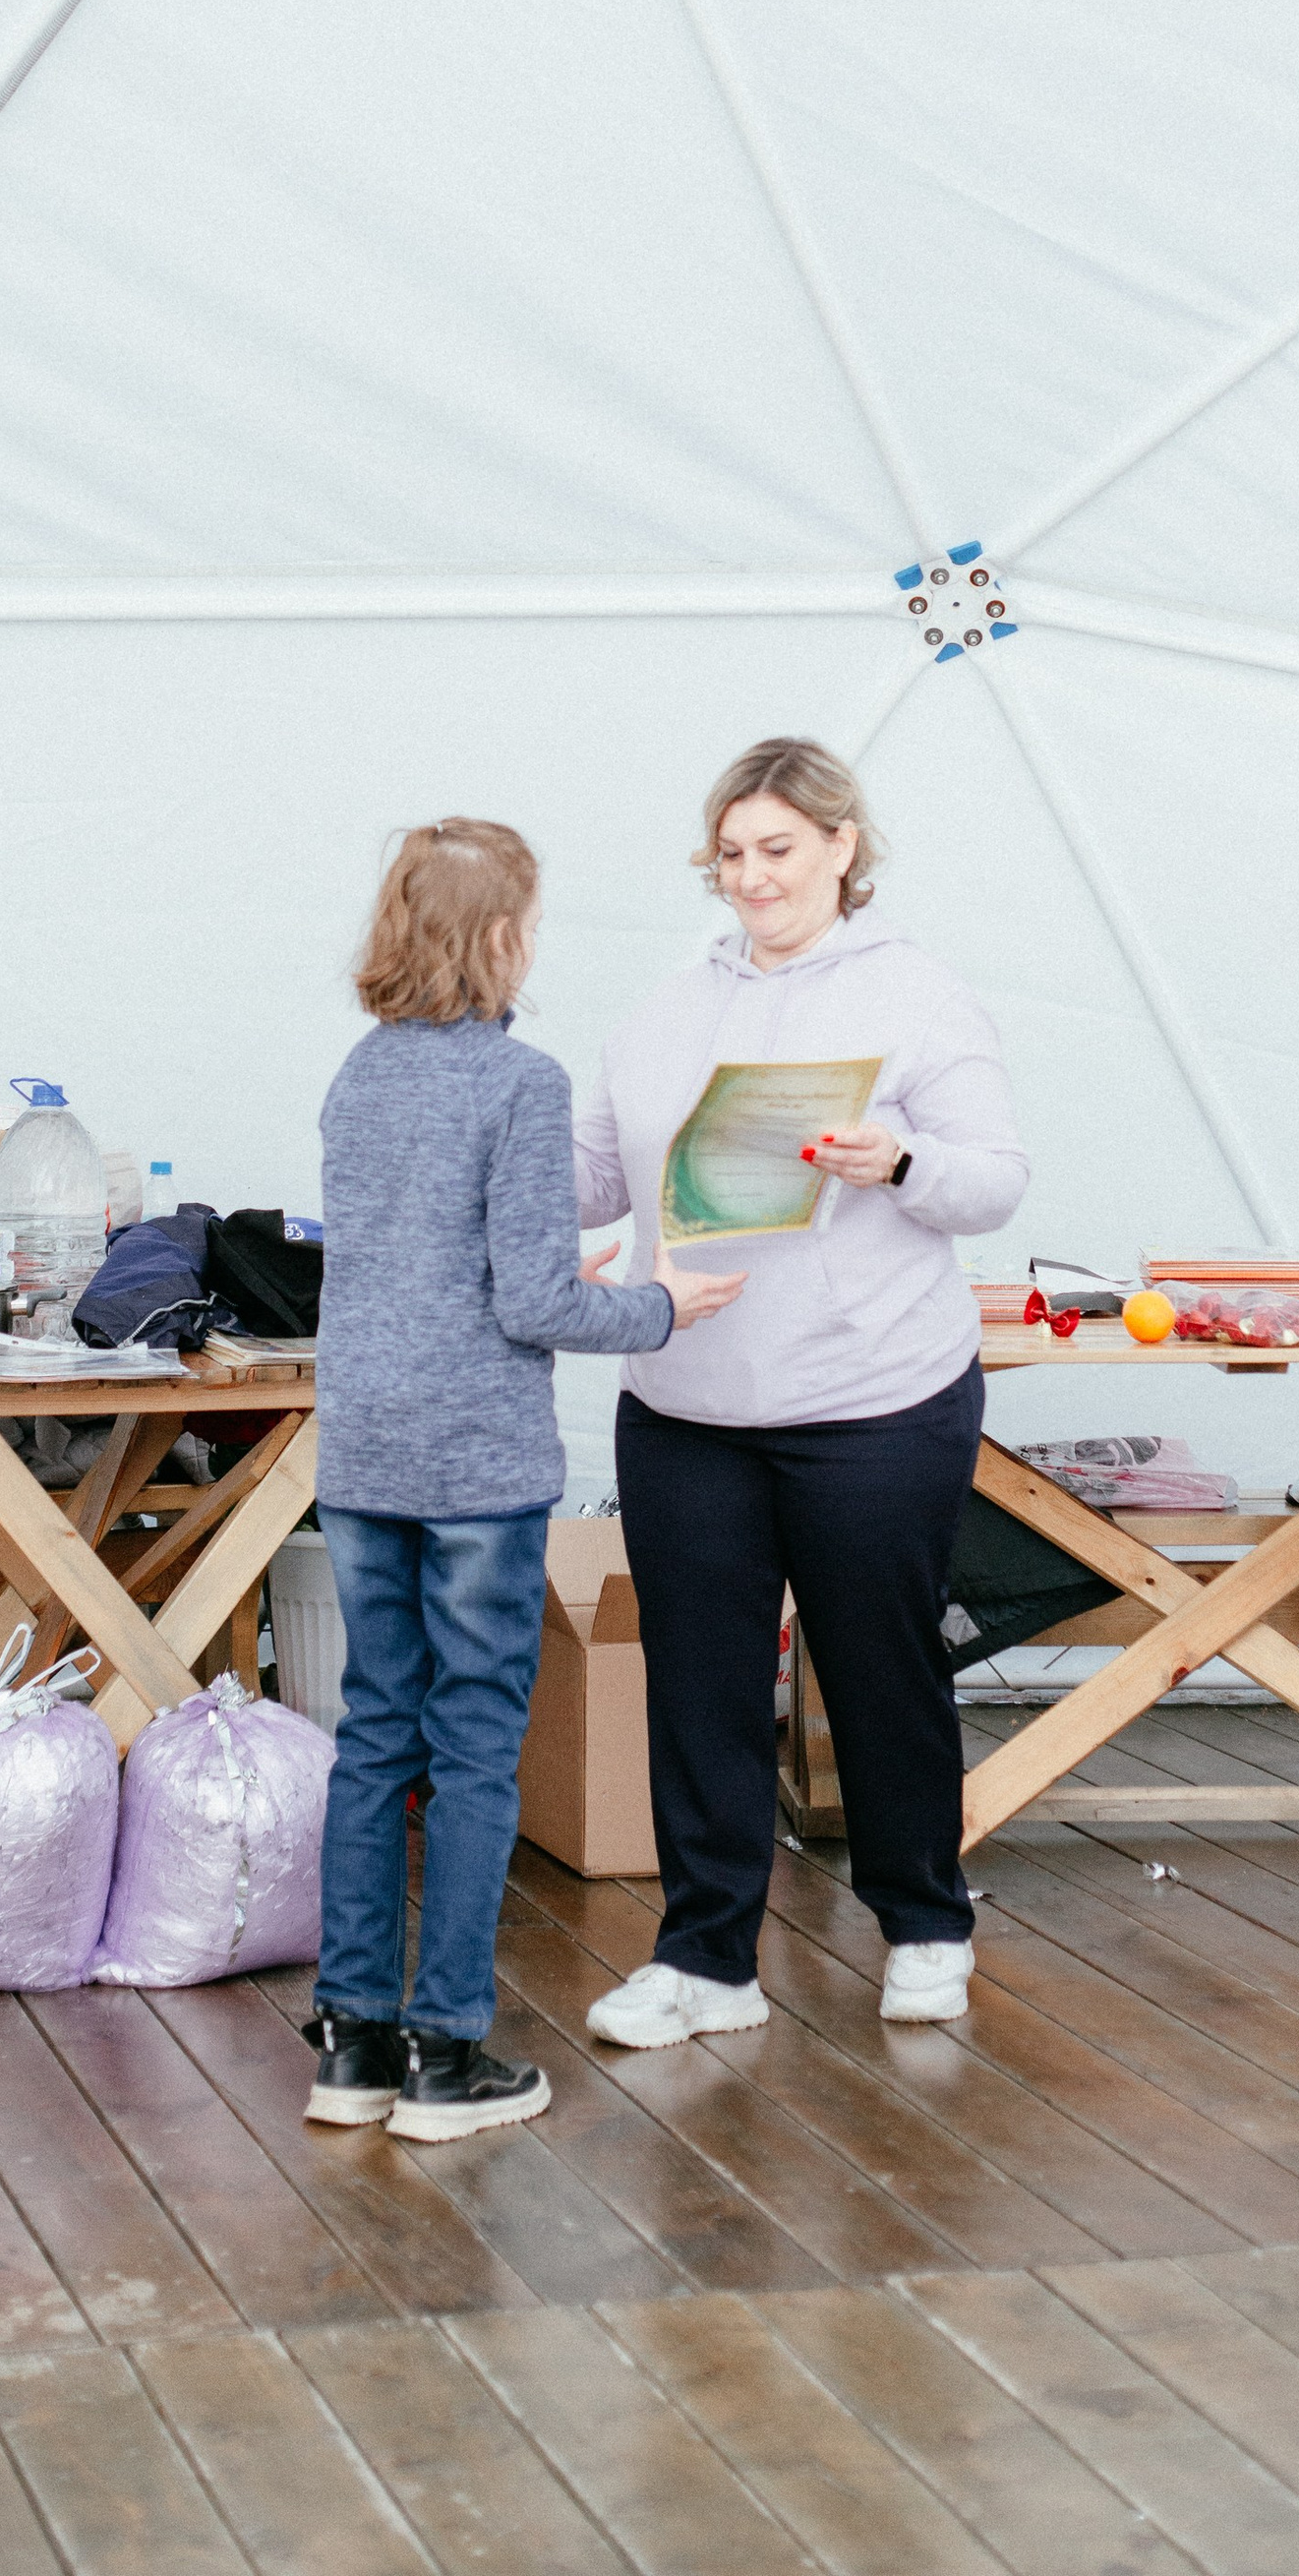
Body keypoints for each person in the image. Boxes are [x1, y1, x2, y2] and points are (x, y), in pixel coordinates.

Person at [574, 737, 1028, 2043]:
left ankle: (927, 1922)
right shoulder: (666, 1008)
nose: (752, 876)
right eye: (731, 854)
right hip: (687, 1408)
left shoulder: (921, 999)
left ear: (842, 848)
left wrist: (898, 1161)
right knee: (701, 1686)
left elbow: (993, 1178)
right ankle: (706, 1962)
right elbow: (593, 1172)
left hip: (873, 1403)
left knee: (880, 1672)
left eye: (777, 848)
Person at [304, 815, 742, 2139]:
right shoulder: (521, 1082)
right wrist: (663, 1305)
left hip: (365, 1447)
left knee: (376, 1738)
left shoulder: (357, 1075)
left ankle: (352, 2047)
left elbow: (429, 1268)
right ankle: (448, 2056)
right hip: (477, 1462)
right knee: (478, 1751)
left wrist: (570, 1283)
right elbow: (536, 1305)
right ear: (503, 937)